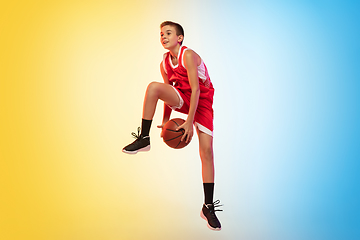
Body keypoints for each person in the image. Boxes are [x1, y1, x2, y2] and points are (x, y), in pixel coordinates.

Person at [122, 21, 222, 231]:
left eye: (168, 33)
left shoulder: (188, 55)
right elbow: (168, 93)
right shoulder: (164, 63)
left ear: (180, 38)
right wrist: (166, 120)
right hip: (184, 98)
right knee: (153, 88)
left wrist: (188, 122)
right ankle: (144, 138)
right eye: (161, 34)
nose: (163, 36)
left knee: (206, 152)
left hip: (201, 102)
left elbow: (196, 90)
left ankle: (208, 206)